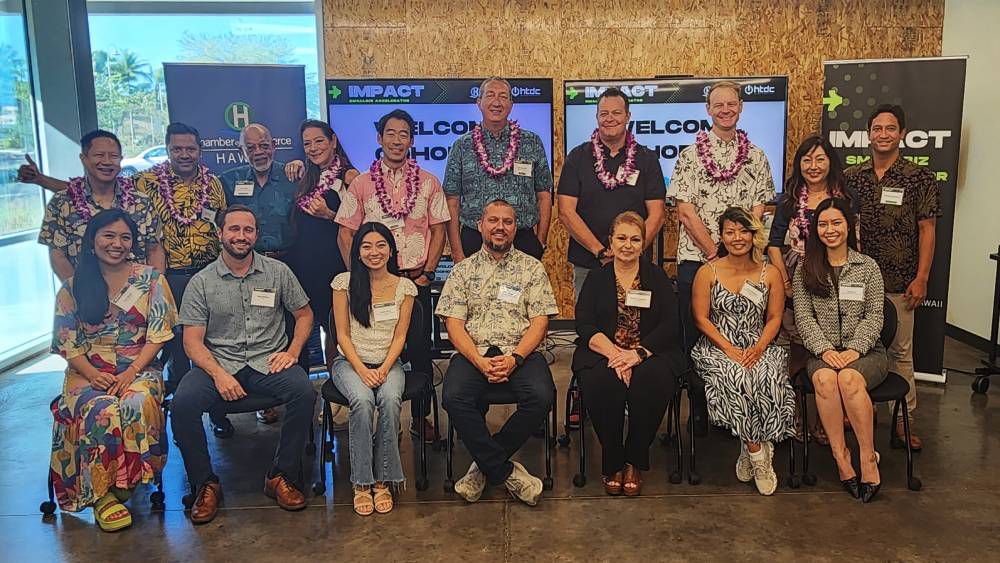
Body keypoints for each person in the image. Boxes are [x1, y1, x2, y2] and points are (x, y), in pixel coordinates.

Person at [170, 204, 317, 524]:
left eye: (248, 230)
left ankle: (280, 475)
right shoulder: (201, 282)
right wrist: (218, 374)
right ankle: (205, 483)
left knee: (304, 391)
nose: (241, 236)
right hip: (218, 363)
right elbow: (192, 342)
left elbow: (304, 314)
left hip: (268, 360)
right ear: (220, 234)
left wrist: (293, 351)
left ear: (256, 235)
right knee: (182, 403)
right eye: (234, 229)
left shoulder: (278, 272)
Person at [48, 209, 177, 532]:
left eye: (125, 237)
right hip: (86, 371)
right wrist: (93, 375)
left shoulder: (151, 280)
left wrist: (132, 371)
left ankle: (128, 480)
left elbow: (159, 334)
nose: (117, 244)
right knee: (102, 409)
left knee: (136, 401)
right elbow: (67, 342)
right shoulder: (73, 287)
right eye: (109, 236)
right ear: (92, 241)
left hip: (139, 367)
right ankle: (102, 495)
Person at [667, 80, 776, 435]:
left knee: (743, 329)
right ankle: (701, 409)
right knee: (694, 334)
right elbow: (685, 211)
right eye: (719, 104)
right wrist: (716, 253)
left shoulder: (757, 156)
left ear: (741, 107)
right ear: (708, 109)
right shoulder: (689, 156)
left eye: (732, 104)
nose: (725, 110)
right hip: (697, 260)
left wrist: (739, 249)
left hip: (746, 264)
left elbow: (758, 209)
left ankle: (742, 404)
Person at [335, 109, 449, 443]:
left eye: (404, 134)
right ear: (379, 138)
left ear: (411, 140)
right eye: (390, 133)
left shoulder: (429, 182)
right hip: (373, 283)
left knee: (420, 350)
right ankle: (381, 417)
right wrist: (358, 276)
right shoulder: (361, 183)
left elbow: (439, 230)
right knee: (375, 347)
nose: (397, 140)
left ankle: (421, 418)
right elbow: (345, 233)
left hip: (414, 280)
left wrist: (428, 273)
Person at [437, 199, 558, 506]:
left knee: (542, 395)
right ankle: (505, 471)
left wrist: (516, 358)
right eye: (493, 220)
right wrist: (478, 361)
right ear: (480, 225)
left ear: (516, 228)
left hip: (520, 351)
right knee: (453, 396)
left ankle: (484, 465)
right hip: (473, 352)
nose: (500, 227)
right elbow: (454, 324)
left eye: (507, 221)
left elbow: (540, 321)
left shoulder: (532, 268)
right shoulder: (462, 271)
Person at [845, 104, 940, 451]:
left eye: (890, 128)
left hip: (900, 281)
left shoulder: (919, 178)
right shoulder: (852, 177)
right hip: (856, 281)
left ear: (902, 134)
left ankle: (903, 421)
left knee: (900, 352)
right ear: (868, 134)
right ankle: (856, 411)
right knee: (855, 347)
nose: (883, 134)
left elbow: (927, 229)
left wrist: (922, 277)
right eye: (877, 128)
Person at [573, 211, 680, 496]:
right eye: (621, 238)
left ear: (644, 243)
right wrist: (616, 356)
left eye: (635, 239)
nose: (628, 245)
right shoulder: (596, 278)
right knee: (602, 382)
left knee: (653, 381)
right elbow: (584, 323)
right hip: (603, 351)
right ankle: (613, 462)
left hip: (650, 351)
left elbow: (671, 323)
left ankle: (634, 460)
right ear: (610, 241)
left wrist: (638, 354)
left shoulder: (656, 277)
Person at [690, 207, 793, 496]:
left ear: (753, 235)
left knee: (767, 375)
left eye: (744, 231)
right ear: (721, 237)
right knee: (735, 375)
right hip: (716, 346)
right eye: (730, 232)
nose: (737, 238)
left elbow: (774, 318)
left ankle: (749, 446)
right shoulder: (707, 272)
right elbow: (701, 319)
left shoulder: (770, 273)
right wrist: (729, 349)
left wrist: (759, 348)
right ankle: (758, 453)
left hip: (759, 343)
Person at [793, 197, 887, 503]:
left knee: (847, 378)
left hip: (867, 353)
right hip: (822, 353)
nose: (830, 230)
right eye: (823, 224)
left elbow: (875, 315)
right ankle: (841, 457)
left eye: (836, 222)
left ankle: (867, 458)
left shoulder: (868, 267)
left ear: (849, 225)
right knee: (825, 379)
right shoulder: (806, 268)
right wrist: (823, 349)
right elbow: (803, 317)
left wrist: (856, 349)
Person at [767, 134, 854, 445]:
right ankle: (797, 417)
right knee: (798, 351)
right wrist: (785, 282)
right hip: (795, 276)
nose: (813, 166)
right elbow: (773, 245)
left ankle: (825, 421)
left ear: (830, 162)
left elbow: (855, 238)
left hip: (836, 275)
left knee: (830, 350)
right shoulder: (789, 200)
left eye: (820, 159)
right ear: (798, 164)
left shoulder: (845, 196)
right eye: (807, 160)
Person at [220, 122, 305, 425]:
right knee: (255, 328)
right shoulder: (228, 181)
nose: (259, 152)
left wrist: (302, 165)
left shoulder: (293, 175)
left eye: (264, 145)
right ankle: (257, 401)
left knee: (295, 328)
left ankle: (299, 400)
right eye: (251, 147)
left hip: (291, 262)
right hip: (247, 266)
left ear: (274, 146)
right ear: (241, 150)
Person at [331, 223, 417, 516]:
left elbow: (400, 337)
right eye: (366, 246)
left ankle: (383, 479)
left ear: (391, 250)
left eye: (381, 245)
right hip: (349, 363)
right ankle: (361, 482)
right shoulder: (343, 284)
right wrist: (363, 370)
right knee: (362, 400)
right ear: (357, 252)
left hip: (389, 362)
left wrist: (383, 367)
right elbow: (342, 335)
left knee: (390, 400)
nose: (374, 252)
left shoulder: (405, 287)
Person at [558, 88, 666, 297]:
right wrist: (600, 251)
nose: (609, 119)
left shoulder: (647, 158)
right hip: (589, 263)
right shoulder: (577, 157)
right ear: (597, 117)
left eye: (616, 113)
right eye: (604, 113)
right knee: (589, 317)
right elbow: (566, 211)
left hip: (635, 263)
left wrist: (629, 250)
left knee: (635, 317)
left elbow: (658, 214)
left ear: (627, 116)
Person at [443, 77, 553, 262]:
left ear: (511, 104)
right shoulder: (462, 146)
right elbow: (452, 202)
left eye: (503, 96)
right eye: (490, 95)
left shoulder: (531, 142)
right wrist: (457, 252)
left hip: (523, 240)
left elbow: (544, 195)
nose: (496, 102)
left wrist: (540, 242)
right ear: (479, 102)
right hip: (475, 241)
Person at [37, 130, 164, 281]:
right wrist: (77, 289)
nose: (107, 162)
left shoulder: (141, 202)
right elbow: (58, 255)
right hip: (86, 290)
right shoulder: (62, 202)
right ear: (84, 159)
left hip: (136, 290)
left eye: (114, 156)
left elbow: (154, 249)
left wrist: (155, 287)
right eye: (99, 155)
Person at [287, 119, 360, 369]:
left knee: (335, 330)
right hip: (302, 268)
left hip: (333, 267)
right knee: (301, 328)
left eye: (319, 141)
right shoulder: (306, 176)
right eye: (307, 144)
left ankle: (337, 384)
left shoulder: (349, 177)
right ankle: (301, 386)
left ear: (333, 141)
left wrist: (329, 214)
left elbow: (362, 225)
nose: (313, 148)